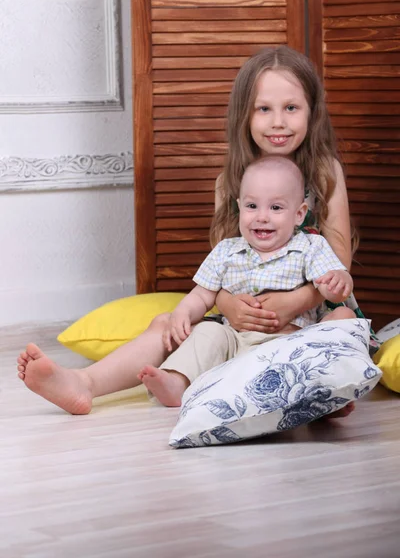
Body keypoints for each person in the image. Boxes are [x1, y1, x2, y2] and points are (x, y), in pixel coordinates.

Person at [17, 45, 361, 417]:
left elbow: (339, 261)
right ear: (245, 115)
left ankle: (323, 393)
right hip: (241, 316)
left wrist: (296, 301)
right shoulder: (229, 182)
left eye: (291, 108)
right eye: (264, 109)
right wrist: (229, 306)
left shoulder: (325, 173)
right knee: (167, 323)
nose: (278, 122)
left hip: (309, 309)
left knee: (342, 323)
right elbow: (222, 267)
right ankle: (85, 384)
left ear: (312, 112)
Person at [137, 156, 355, 407]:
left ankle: (325, 394)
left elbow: (331, 291)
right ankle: (177, 382)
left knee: (344, 317)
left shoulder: (310, 247)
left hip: (290, 348)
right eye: (252, 206)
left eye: (275, 208)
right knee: (208, 331)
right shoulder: (226, 251)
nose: (262, 217)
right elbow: (202, 294)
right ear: (239, 206)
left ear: (299, 214)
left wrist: (337, 282)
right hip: (236, 343)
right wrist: (183, 312)